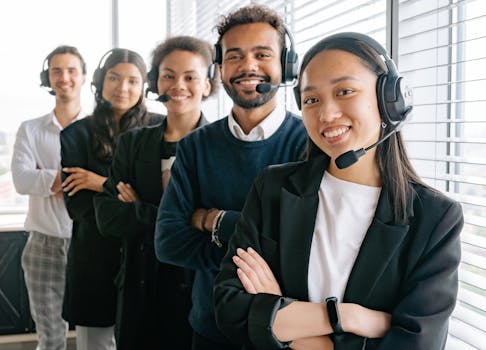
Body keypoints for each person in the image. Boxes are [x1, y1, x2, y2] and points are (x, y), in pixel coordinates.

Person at [214, 32, 463, 350]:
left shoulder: (435, 218)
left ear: (390, 99)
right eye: (311, 99)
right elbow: (231, 308)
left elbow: (416, 344)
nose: (326, 114)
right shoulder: (274, 189)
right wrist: (349, 317)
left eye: (344, 91)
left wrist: (285, 319)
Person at [154, 4, 307, 350]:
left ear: (285, 64)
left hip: (285, 331)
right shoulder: (194, 147)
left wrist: (212, 220)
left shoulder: (310, 145)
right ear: (220, 69)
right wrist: (261, 248)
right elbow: (168, 242)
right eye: (235, 56)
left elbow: (302, 250)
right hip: (210, 329)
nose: (248, 66)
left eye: (262, 54)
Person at [93, 36, 217, 350]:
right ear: (155, 82)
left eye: (190, 77)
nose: (179, 85)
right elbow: (108, 217)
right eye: (168, 75)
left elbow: (220, 226)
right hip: (139, 287)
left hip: (198, 292)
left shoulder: (221, 145)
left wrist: (141, 209)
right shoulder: (133, 143)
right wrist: (188, 218)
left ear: (207, 85)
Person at [60, 48, 163, 350]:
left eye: (133, 80)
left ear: (144, 85)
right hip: (94, 257)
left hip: (147, 257)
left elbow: (163, 204)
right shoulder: (76, 134)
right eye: (114, 78)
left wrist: (101, 183)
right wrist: (130, 201)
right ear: (100, 82)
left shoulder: (161, 128)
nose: (123, 87)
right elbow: (78, 206)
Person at [11, 45, 86, 350]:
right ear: (48, 76)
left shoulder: (99, 128)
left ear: (83, 77)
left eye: (71, 70)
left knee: (98, 334)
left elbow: (107, 182)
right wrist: (75, 178)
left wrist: (47, 176)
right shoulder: (30, 129)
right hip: (43, 243)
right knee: (51, 337)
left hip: (91, 243)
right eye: (56, 70)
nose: (64, 77)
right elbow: (21, 179)